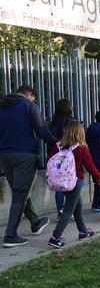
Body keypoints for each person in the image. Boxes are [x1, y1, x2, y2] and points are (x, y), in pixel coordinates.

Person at [0, 84, 57, 247]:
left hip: (4, 155)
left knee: (20, 191)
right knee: (20, 193)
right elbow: (41, 130)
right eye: (34, 98)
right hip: (25, 154)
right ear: (30, 94)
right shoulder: (28, 106)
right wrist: (57, 143)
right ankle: (10, 235)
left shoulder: (2, 106)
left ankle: (35, 221)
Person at [46, 120, 100, 249]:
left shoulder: (57, 146)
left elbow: (49, 160)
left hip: (61, 182)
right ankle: (55, 236)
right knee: (68, 210)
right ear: (80, 132)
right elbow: (90, 166)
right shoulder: (81, 147)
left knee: (77, 205)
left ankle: (83, 231)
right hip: (75, 181)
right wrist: (98, 177)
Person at [48, 98, 76, 221]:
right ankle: (69, 211)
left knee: (58, 184)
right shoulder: (71, 123)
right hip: (70, 157)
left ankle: (60, 210)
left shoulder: (53, 123)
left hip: (55, 157)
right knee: (71, 184)